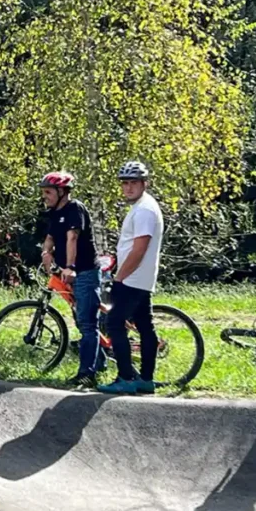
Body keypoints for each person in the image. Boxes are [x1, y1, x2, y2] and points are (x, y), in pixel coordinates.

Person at [97, 161, 164, 396]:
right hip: (140, 278)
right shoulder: (143, 206)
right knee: (145, 326)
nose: (128, 188)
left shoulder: (144, 209)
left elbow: (139, 249)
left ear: (144, 183)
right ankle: (146, 379)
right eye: (125, 183)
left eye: (133, 183)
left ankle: (126, 377)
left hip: (132, 279)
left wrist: (119, 278)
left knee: (114, 324)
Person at [38, 171, 103, 389]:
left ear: (62, 191)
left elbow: (71, 238)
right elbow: (50, 238)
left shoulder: (74, 209)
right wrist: (46, 253)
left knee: (87, 325)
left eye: (48, 192)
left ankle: (87, 375)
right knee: (82, 319)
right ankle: (99, 364)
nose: (44, 196)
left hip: (84, 272)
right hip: (71, 273)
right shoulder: (55, 213)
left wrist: (70, 267)